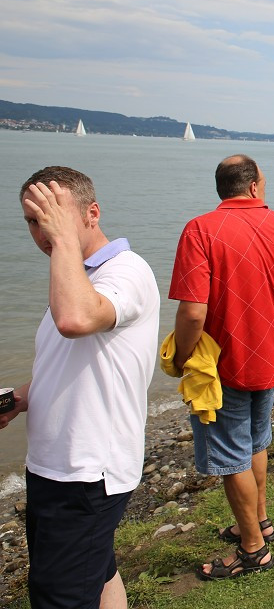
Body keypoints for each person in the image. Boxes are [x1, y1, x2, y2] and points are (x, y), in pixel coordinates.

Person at [3, 167, 159, 607]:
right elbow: (67, 362)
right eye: (33, 221)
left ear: (92, 213)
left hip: (88, 470)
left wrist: (63, 243)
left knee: (60, 595)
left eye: (53, 216)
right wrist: (21, 398)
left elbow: (75, 321)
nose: (42, 231)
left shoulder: (126, 272)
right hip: (55, 464)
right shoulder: (77, 274)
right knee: (98, 570)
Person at [170, 155, 274, 577]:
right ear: (254, 186)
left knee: (232, 456)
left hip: (222, 365)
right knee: (255, 443)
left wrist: (181, 357)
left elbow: (193, 313)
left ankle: (253, 549)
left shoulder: (200, 229)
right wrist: (270, 324)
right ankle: (258, 522)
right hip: (267, 357)